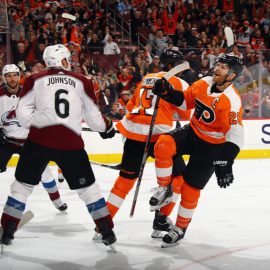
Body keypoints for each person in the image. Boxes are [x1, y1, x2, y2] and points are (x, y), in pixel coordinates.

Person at [0, 44, 116, 247]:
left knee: (21, 186)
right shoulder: (82, 80)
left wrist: (38, 123)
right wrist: (106, 128)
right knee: (89, 190)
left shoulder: (34, 79)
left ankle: (8, 230)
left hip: (38, 140)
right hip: (70, 142)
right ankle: (106, 231)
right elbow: (94, 119)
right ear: (63, 60)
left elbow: (22, 112)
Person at [149, 54, 244, 248]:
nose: (217, 68)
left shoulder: (232, 101)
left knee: (190, 189)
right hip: (193, 132)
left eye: (224, 67)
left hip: (211, 147)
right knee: (163, 144)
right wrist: (167, 92)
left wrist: (226, 163)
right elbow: (185, 101)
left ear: (232, 75)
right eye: (218, 64)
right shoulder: (204, 82)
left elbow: (236, 135)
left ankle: (181, 228)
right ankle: (164, 189)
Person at [100, 49, 191, 240]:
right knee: (179, 178)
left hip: (133, 131)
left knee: (125, 181)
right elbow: (186, 113)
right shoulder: (179, 82)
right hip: (158, 135)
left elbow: (132, 104)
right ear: (175, 66)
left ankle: (102, 227)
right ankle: (161, 219)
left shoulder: (148, 77)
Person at [0, 64, 67, 212]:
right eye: (9, 75)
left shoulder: (30, 93)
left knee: (45, 172)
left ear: (19, 76)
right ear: (4, 78)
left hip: (29, 141)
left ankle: (57, 200)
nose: (12, 78)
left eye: (14, 75)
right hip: (6, 141)